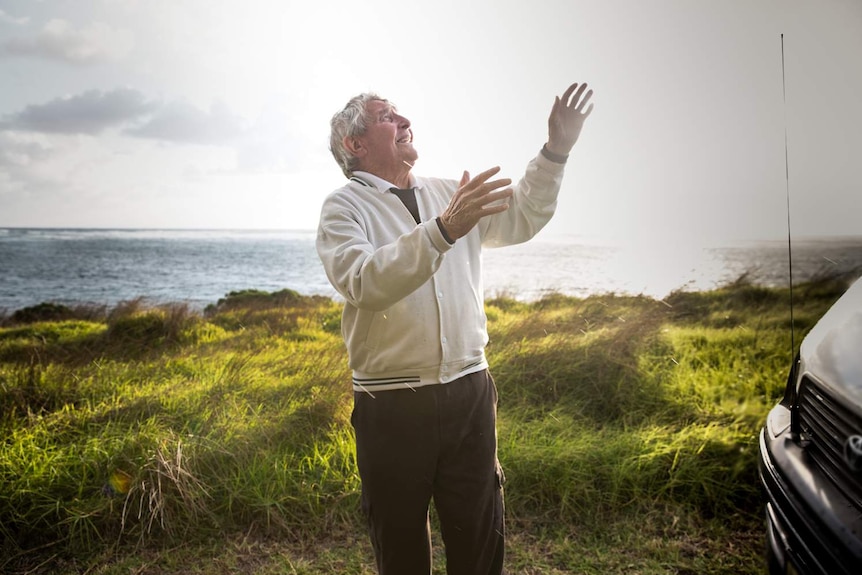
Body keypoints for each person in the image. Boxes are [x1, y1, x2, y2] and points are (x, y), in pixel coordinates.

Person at [316, 82, 594, 575]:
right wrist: (443, 230)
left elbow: (524, 215)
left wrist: (556, 150)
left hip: (469, 390)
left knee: (479, 540)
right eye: (387, 116)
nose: (403, 121)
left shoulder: (450, 193)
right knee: (401, 549)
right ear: (354, 145)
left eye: (401, 114)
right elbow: (365, 282)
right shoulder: (343, 208)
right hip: (390, 402)